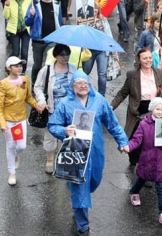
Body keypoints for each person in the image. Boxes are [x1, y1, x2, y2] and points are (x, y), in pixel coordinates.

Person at [48, 71, 129, 236]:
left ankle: (79, 200)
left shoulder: (99, 100)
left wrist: (123, 141)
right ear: (72, 86)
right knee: (80, 188)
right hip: (75, 152)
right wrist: (64, 130)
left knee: (94, 180)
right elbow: (53, 125)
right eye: (78, 83)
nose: (82, 85)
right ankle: (83, 226)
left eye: (85, 82)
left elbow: (112, 123)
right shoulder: (65, 103)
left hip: (96, 150)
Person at [126, 97, 162, 227]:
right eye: (157, 109)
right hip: (146, 159)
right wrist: (128, 147)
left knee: (161, 187)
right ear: (152, 109)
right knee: (142, 179)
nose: (160, 112)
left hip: (161, 161)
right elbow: (137, 139)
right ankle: (134, 192)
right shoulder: (144, 124)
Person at [111, 48, 162, 165]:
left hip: (154, 111)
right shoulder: (132, 75)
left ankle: (147, 162)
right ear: (139, 60)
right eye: (145, 58)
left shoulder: (159, 72)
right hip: (138, 112)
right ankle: (134, 160)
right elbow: (122, 93)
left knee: (150, 140)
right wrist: (111, 107)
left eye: (150, 58)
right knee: (136, 138)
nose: (148, 60)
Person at [0, 56, 39, 186]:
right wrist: (2, 124)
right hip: (8, 121)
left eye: (20, 65)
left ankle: (15, 156)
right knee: (10, 145)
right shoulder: (3, 84)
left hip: (20, 120)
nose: (19, 68)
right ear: (9, 68)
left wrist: (37, 106)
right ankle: (12, 172)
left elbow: (28, 98)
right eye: (16, 66)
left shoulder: (25, 80)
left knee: (21, 146)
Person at [34, 43, 77, 174]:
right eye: (62, 54)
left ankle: (65, 160)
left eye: (67, 54)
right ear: (55, 56)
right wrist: (41, 100)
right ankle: (50, 160)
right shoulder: (47, 70)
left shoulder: (74, 69)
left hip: (70, 110)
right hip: (53, 109)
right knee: (51, 135)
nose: (65, 57)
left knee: (70, 136)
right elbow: (37, 87)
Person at [25, 0, 63, 86]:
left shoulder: (56, 5)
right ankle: (34, 83)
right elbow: (27, 22)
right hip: (38, 40)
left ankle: (44, 85)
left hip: (51, 40)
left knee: (46, 64)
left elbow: (60, 22)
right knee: (37, 65)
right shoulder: (34, 4)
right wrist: (31, 15)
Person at [82, 3, 113, 96]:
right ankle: (83, 92)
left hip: (102, 49)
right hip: (89, 50)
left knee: (102, 74)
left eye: (96, 8)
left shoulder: (103, 19)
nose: (95, 10)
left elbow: (108, 33)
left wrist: (111, 47)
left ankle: (101, 95)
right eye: (93, 8)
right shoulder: (84, 20)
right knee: (85, 73)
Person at [3, 0, 31, 73]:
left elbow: (32, 15)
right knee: (15, 51)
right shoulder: (9, 1)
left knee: (25, 52)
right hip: (14, 30)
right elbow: (6, 16)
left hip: (26, 30)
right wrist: (7, 6)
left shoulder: (29, 1)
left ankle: (23, 70)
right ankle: (9, 66)